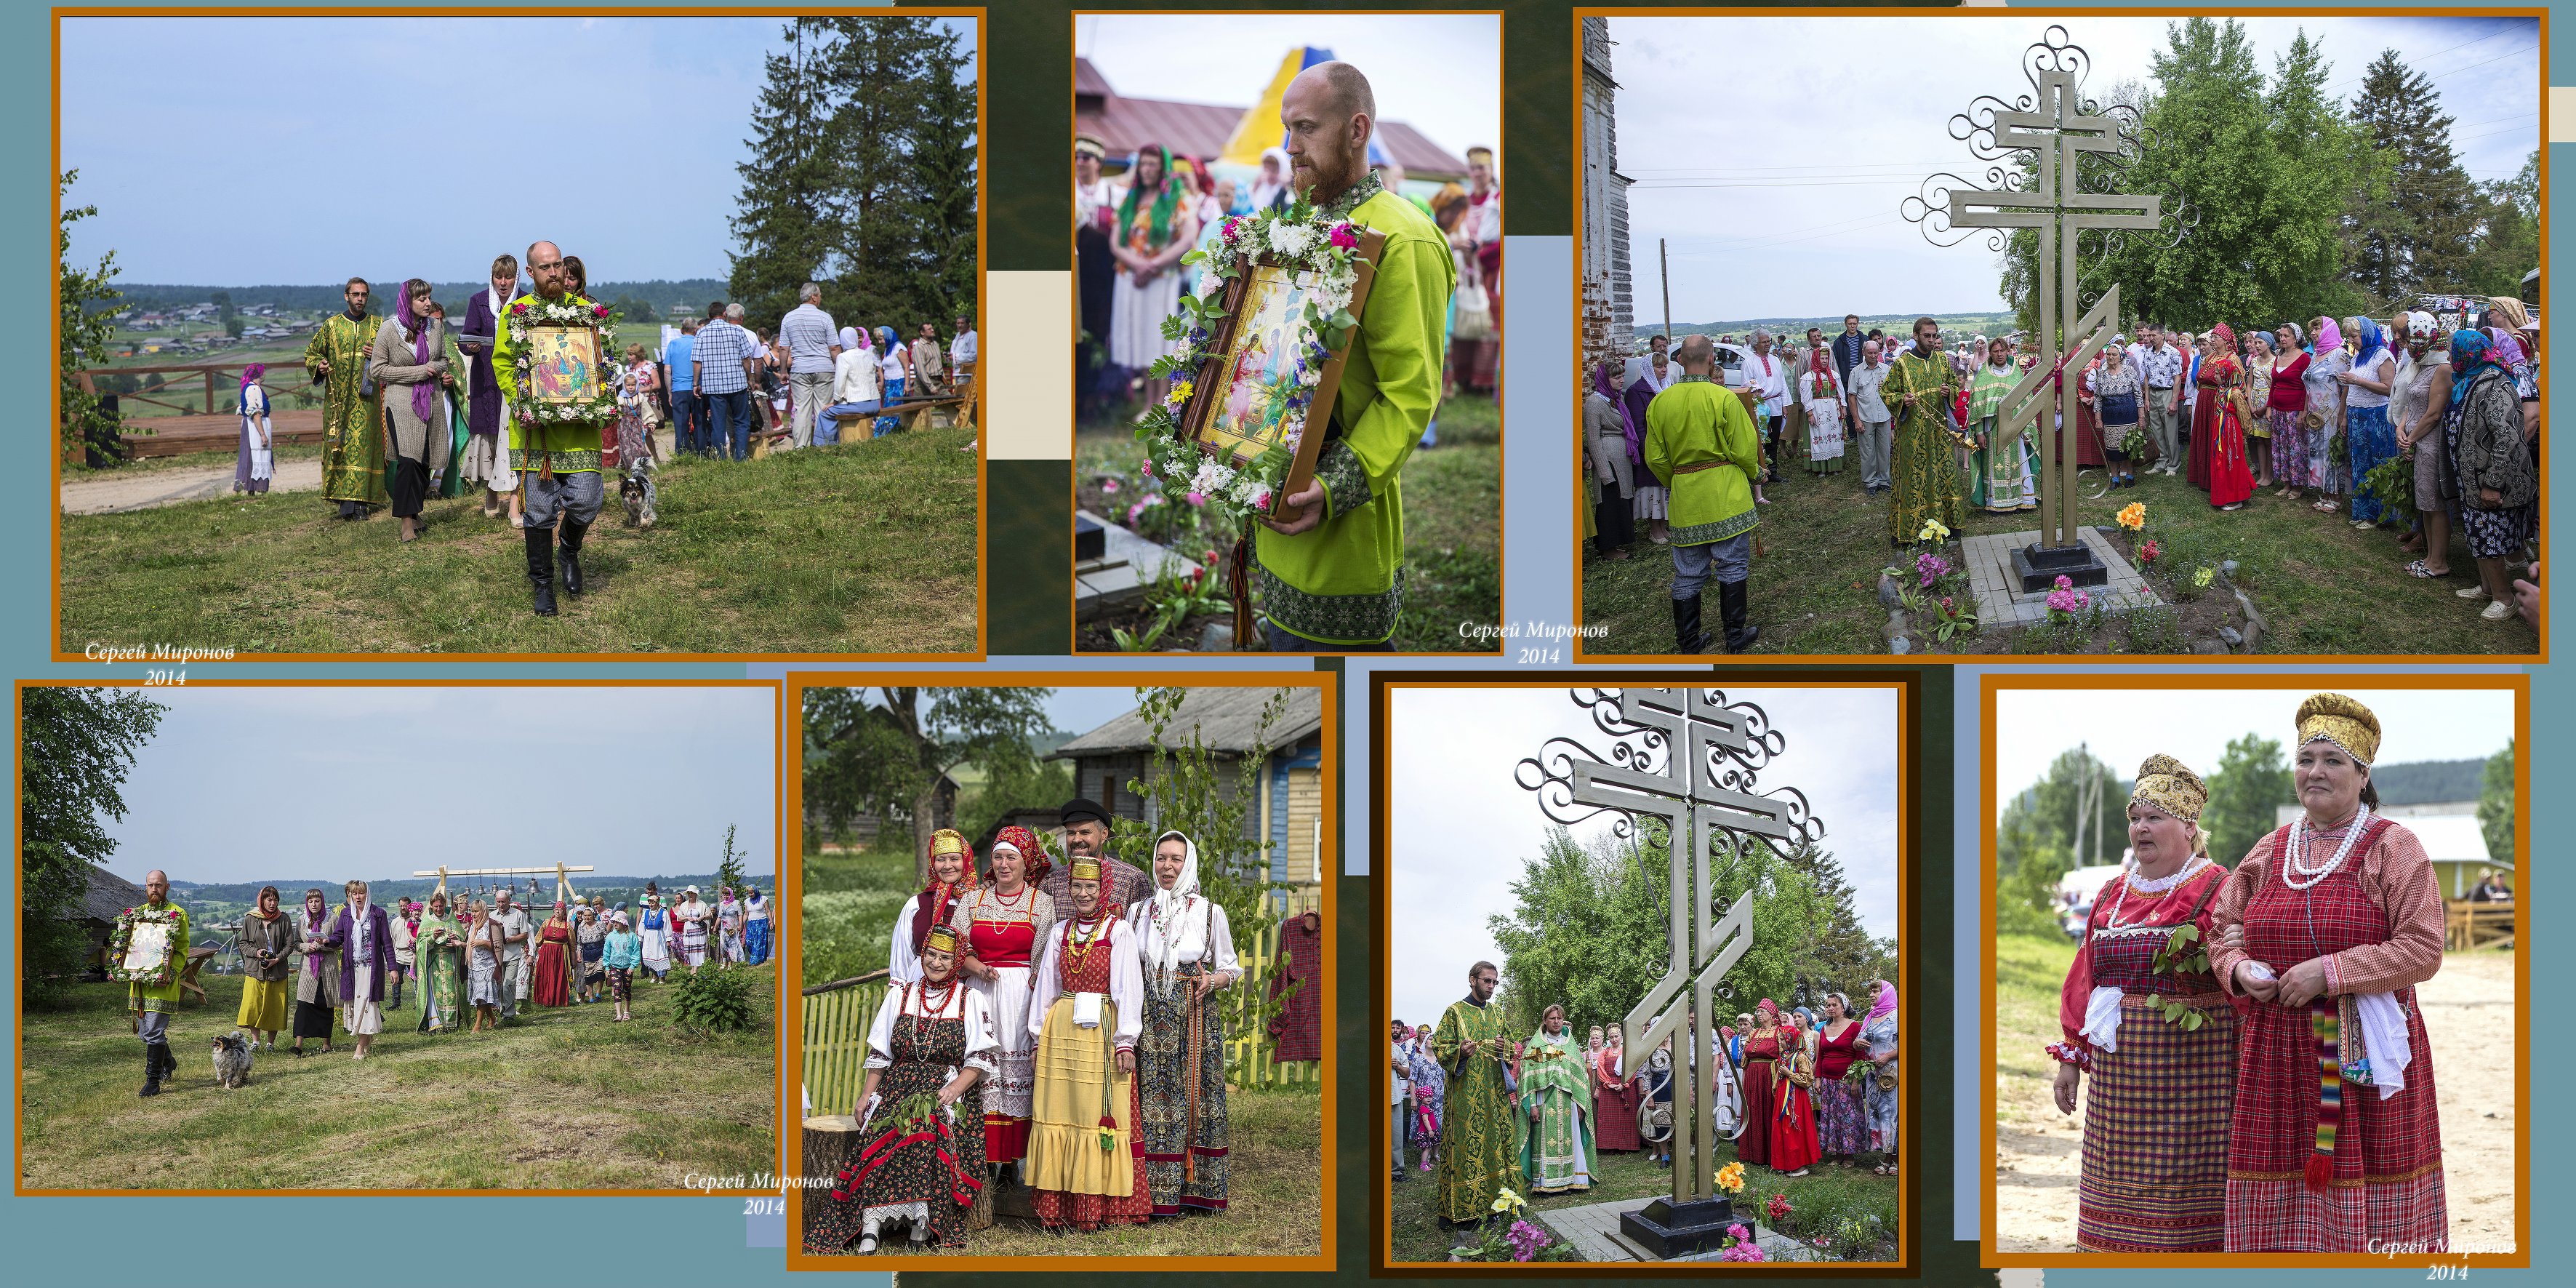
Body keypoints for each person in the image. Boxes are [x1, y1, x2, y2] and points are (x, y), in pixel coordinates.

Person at [2207, 695, 2447, 1254]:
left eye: (2332, 760)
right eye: (2304, 758)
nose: (2314, 770)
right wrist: (2239, 967)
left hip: (2363, 1050)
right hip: (2276, 1051)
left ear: (2363, 775)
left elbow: (2424, 946)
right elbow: (2223, 925)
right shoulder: (2270, 849)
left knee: (2368, 1201)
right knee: (2279, 1183)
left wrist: (2330, 970)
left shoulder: (2393, 846)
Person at [1250, 63, 1455, 652]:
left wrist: (1332, 485)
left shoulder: (1401, 236)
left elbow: (1410, 393)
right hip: (1276, 528)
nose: (1291, 148)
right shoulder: (1302, 225)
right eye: (1288, 130)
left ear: (1357, 129)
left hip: (1339, 531)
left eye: (1306, 128)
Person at [2045, 755, 2235, 1249]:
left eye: (2154, 816)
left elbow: (2242, 969)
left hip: (2195, 1082)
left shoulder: (2219, 888)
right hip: (2117, 1086)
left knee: (2184, 1216)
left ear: (2189, 826)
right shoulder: (2112, 894)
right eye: (2134, 817)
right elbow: (2085, 975)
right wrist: (2070, 1056)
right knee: (2114, 1215)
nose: (2140, 827)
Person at [811, 923, 996, 1254]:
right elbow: (881, 1051)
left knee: (926, 1127)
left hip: (946, 1087)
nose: (936, 963)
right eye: (931, 955)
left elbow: (980, 1056)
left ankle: (921, 1220)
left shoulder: (971, 999)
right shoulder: (901, 994)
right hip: (899, 1084)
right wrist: (867, 1095)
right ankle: (870, 1223)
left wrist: (955, 1088)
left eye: (945, 958)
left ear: (956, 962)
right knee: (880, 1132)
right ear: (922, 955)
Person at [1024, 857, 1150, 1233]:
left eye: (1090, 888)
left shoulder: (1119, 930)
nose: (1082, 894)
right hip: (1061, 1029)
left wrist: (1126, 1042)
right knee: (1061, 1112)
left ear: (1103, 891)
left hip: (1102, 1030)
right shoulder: (1060, 932)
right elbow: (1046, 987)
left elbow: (1130, 988)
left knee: (1096, 1115)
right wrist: (1036, 1039)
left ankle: (1099, 1208)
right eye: (1076, 887)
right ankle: (1057, 1208)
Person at [1126, 831, 1240, 1217]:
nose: (1167, 867)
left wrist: (1212, 980)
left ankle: (1195, 1189)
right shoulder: (1139, 912)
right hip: (1148, 1015)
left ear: (1188, 862)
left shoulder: (1209, 912)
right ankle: (1147, 1193)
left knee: (1192, 1096)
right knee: (1150, 1097)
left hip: (1193, 1014)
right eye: (1161, 858)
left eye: (1176, 859)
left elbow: (1231, 967)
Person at [491, 242, 609, 616]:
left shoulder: (589, 313)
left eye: (558, 265)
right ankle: (543, 584)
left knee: (588, 500)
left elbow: (601, 362)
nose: (555, 272)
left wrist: (601, 385)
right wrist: (526, 400)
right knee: (539, 512)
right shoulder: (518, 313)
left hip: (579, 429)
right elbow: (504, 364)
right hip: (535, 432)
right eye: (546, 267)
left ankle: (569, 550)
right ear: (531, 272)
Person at [1644, 335, 1763, 654]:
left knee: (1688, 575)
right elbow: (1745, 449)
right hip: (1727, 499)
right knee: (1732, 567)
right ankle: (1735, 638)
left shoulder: (1660, 403)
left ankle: (1689, 642)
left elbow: (1655, 458)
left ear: (1679, 360)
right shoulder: (1724, 399)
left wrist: (1679, 480)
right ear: (1712, 360)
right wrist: (1755, 475)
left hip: (1686, 501)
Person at [954, 827, 1056, 1169]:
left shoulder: (1042, 903)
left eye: (1011, 857)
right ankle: (980, 1159)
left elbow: (1043, 959)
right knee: (980, 1066)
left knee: (1016, 1073)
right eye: (998, 856)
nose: (1003, 863)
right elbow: (955, 949)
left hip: (1020, 998)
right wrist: (977, 967)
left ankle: (1014, 1163)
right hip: (978, 993)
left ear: (1026, 862)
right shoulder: (973, 900)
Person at [2444, 329, 2538, 622]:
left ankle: (2504, 598)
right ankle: (2487, 587)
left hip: (2492, 480)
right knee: (2476, 532)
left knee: (2490, 535)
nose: (2449, 357)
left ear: (2468, 353)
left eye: (2453, 351)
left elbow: (2507, 437)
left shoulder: (2495, 383)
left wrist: (2493, 484)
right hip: (2472, 477)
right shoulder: (2469, 379)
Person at [1109, 143, 1197, 411]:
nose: (1147, 169)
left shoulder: (1176, 198)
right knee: (1141, 338)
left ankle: (1161, 403)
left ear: (1162, 168)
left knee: (1159, 340)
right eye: (1143, 164)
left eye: (1152, 164)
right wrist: (1138, 264)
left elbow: (1188, 238)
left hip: (1161, 279)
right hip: (1130, 277)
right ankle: (1149, 401)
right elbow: (1116, 242)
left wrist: (1152, 265)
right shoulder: (1131, 198)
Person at [1430, 961, 1517, 1229]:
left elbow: (1512, 1049)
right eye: (1486, 981)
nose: (1491, 987)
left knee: (1497, 1147)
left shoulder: (1499, 1013)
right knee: (1468, 1148)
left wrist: (1506, 1047)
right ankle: (1465, 1211)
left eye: (1495, 982)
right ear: (1472, 980)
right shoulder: (1454, 1012)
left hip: (1495, 1096)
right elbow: (1439, 1046)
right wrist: (1460, 1051)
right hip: (1465, 1098)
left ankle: (1499, 1205)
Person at [366, 279, 454, 543]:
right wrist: (418, 371)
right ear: (408, 301)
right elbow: (377, 369)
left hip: (432, 400)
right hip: (402, 401)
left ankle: (416, 512)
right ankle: (406, 522)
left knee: (425, 460)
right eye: (421, 299)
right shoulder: (389, 330)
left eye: (429, 297)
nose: (428, 303)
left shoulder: (435, 327)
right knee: (408, 460)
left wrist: (438, 369)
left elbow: (444, 360)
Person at [306, 276, 387, 521]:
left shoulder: (378, 326)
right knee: (340, 447)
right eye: (356, 295)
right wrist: (318, 365)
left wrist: (378, 353)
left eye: (364, 295)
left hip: (367, 400)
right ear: (347, 296)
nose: (360, 299)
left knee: (363, 449)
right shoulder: (331, 326)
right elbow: (311, 353)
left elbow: (391, 355)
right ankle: (345, 502)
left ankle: (361, 503)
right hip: (338, 402)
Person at [1886, 316, 1965, 545]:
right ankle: (1911, 532)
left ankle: (1948, 527)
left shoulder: (1942, 360)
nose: (1932, 340)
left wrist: (1948, 391)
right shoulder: (1902, 363)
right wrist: (1902, 400)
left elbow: (1956, 385)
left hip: (1939, 434)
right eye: (1927, 336)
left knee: (1944, 475)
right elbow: (1887, 393)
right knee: (1915, 479)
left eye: (1934, 335)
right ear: (1915, 336)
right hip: (1913, 435)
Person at [460, 255, 521, 519]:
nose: (503, 282)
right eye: (499, 277)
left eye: (508, 277)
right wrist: (470, 345)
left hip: (515, 379)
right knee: (491, 438)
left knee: (513, 436)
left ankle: (517, 501)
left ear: (517, 278)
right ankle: (492, 492)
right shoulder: (479, 301)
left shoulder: (525, 302)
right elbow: (465, 338)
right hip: (486, 378)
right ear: (492, 277)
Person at [2396, 313, 2457, 579]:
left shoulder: (2442, 369)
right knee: (2425, 502)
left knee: (2435, 502)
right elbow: (2412, 402)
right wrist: (2401, 427)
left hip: (2430, 441)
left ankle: (2439, 562)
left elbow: (2434, 413)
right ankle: (2430, 557)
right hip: (2417, 439)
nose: (2406, 345)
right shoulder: (2421, 365)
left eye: (2410, 339)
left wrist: (2411, 438)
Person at [1517, 1004, 1595, 1194]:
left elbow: (1581, 1080)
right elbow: (1528, 1080)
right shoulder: (1537, 1046)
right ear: (1545, 1021)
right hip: (1544, 1102)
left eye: (1559, 1018)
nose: (1556, 1021)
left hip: (1568, 1102)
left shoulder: (1570, 1045)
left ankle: (1572, 1180)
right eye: (1552, 1018)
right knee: (1544, 1142)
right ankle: (1545, 1184)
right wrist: (1533, 1105)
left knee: (1571, 1141)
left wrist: (1581, 1106)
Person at [892, 828, 976, 985]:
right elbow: (902, 955)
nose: (947, 866)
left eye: (954, 859)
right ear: (932, 863)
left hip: (967, 983)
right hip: (921, 982)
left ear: (966, 860)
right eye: (941, 860)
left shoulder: (978, 902)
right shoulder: (916, 904)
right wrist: (901, 991)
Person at [2338, 317, 2400, 527]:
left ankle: (2379, 515)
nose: (2351, 340)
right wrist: (2345, 416)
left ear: (2366, 335)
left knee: (2377, 463)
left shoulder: (2383, 355)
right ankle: (2363, 511)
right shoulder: (2358, 357)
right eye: (2349, 336)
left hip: (2376, 416)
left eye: (2354, 336)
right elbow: (2349, 390)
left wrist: (2357, 380)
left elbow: (2388, 388)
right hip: (2357, 416)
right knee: (2360, 463)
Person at [324, 879, 394, 1060]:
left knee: (367, 1006)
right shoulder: (347, 914)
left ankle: (360, 1047)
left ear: (367, 894)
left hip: (371, 969)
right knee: (357, 1008)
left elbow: (386, 944)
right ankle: (367, 1040)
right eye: (354, 894)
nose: (357, 897)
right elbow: (338, 937)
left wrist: (393, 968)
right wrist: (326, 941)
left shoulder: (378, 914)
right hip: (352, 968)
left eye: (361, 893)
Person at [1621, 334, 1680, 543]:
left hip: (1667, 446)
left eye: (1664, 366)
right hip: (1650, 448)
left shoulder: (1665, 389)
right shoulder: (1638, 391)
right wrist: (1647, 451)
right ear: (1648, 369)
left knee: (1665, 487)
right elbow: (1639, 425)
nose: (1664, 370)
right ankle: (1654, 529)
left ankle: (1663, 525)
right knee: (1652, 489)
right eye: (1659, 367)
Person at [1041, 798, 1149, 911]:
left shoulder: (1130, 879)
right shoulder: (1053, 882)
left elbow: (1145, 926)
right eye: (1071, 833)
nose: (1077, 839)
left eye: (1085, 832)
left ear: (1104, 834)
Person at [1965, 336, 2034, 512]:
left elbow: (2026, 403)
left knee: (2017, 464)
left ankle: (2021, 500)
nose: (1999, 354)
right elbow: (1976, 409)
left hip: (2015, 429)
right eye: (1995, 351)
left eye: (2002, 351)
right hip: (1992, 429)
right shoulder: (1983, 376)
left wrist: (2027, 432)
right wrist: (1979, 433)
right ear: (1991, 353)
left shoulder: (2016, 374)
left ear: (2007, 352)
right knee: (1993, 467)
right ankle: (1995, 503)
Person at [2199, 326, 2255, 510]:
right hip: (2218, 419)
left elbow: (2244, 415)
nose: (2213, 341)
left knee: (2231, 458)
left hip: (2229, 427)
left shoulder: (2234, 389)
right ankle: (2220, 487)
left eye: (2216, 337)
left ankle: (2235, 493)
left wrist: (2245, 432)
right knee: (2221, 456)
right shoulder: (2219, 385)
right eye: (2212, 337)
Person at [779, 283, 841, 449]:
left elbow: (784, 348)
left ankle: (801, 447)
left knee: (801, 409)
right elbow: (834, 348)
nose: (820, 299)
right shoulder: (825, 317)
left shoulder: (788, 318)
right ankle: (825, 445)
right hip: (824, 368)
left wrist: (784, 371)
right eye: (819, 296)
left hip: (800, 369)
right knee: (823, 407)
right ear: (814, 297)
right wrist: (841, 367)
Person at [693, 298, 755, 462]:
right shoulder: (737, 331)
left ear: (709, 315)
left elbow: (697, 362)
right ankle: (740, 457)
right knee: (741, 421)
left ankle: (720, 458)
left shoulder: (701, 333)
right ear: (725, 314)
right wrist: (750, 378)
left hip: (714, 387)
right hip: (737, 383)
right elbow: (746, 359)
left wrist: (695, 383)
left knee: (718, 424)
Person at [1584, 360, 1634, 559]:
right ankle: (1608, 548)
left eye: (1622, 376)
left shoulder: (1615, 398)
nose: (1622, 380)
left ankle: (1617, 543)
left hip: (1621, 459)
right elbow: (1593, 439)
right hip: (1609, 461)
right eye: (1617, 377)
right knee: (1610, 502)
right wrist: (1604, 472)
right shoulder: (1595, 403)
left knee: (1621, 499)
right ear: (1606, 379)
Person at [1762, 1001, 1821, 1176]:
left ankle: (1799, 1165)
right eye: (1780, 1040)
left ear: (1791, 1040)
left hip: (1796, 1100)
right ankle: (1784, 1162)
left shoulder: (1801, 1057)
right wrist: (1776, 1086)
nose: (1780, 1042)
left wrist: (1789, 1074)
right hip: (1783, 1097)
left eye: (1782, 1040)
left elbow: (1808, 1079)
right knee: (1782, 1128)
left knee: (1794, 1128)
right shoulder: (1785, 1056)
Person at [1811, 992, 1868, 1162]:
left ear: (1844, 1007)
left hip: (1847, 1081)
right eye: (1828, 1005)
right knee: (1832, 1117)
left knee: (1847, 1117)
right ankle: (1836, 1153)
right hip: (1828, 1081)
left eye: (1834, 1005)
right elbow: (1820, 1056)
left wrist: (1856, 1081)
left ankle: (1849, 1155)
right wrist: (1818, 1079)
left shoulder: (1854, 1027)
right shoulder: (1824, 1028)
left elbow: (1860, 1056)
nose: (1830, 1008)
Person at [2302, 316, 2351, 512]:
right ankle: (2324, 491)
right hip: (2315, 413)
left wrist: (2342, 414)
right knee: (2317, 452)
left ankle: (2336, 495)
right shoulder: (2316, 354)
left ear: (2329, 330)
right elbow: (2309, 385)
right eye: (2311, 330)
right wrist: (2306, 409)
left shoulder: (2340, 355)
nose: (2313, 333)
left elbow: (2346, 387)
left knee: (2332, 453)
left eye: (2317, 329)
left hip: (2331, 412)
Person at [2267, 322, 2316, 501]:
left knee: (2296, 448)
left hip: (2294, 411)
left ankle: (2297, 485)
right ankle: (2286, 482)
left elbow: (2306, 388)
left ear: (2296, 338)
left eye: (2286, 336)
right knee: (2281, 447)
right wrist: (2270, 406)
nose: (2282, 339)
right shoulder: (2278, 356)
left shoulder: (2304, 359)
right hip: (2278, 411)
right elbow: (2274, 384)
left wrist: (2303, 412)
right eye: (2281, 336)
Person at [289, 887, 340, 1057]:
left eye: (317, 901)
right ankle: (299, 1044)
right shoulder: (302, 920)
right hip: (308, 969)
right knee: (304, 1004)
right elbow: (296, 943)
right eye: (310, 901)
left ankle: (326, 1043)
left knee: (326, 1003)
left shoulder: (333, 918)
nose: (314, 904)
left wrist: (323, 944)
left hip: (328, 968)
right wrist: (307, 946)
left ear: (322, 902)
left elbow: (340, 943)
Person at [2084, 340, 2142, 489]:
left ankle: (2130, 476)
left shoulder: (2130, 371)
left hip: (2129, 415)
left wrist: (2141, 417)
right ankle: (2115, 478)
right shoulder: (2102, 374)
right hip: (2110, 416)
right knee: (2111, 448)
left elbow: (2138, 395)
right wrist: (2098, 419)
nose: (2110, 357)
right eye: (2108, 354)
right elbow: (2097, 398)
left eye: (2114, 354)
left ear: (2121, 356)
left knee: (2129, 448)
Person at [1738, 332, 1789, 498]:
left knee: (1773, 440)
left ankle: (1773, 471)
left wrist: (1784, 405)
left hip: (1775, 404)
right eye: (1764, 342)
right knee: (1760, 441)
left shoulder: (1775, 360)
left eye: (1769, 341)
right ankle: (1760, 474)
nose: (1767, 344)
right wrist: (1755, 405)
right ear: (1755, 344)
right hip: (1759, 406)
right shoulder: (1749, 363)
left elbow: (1782, 383)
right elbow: (1746, 386)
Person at [1859, 980, 1900, 1172]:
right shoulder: (1870, 1017)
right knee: (1879, 1114)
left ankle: (1897, 1160)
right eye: (1871, 992)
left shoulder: (1898, 1016)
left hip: (1893, 1074)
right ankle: (1887, 1156)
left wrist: (1889, 1056)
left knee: (1893, 1115)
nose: (1871, 995)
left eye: (1875, 991)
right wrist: (1857, 1043)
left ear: (1886, 993)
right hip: (1873, 1075)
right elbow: (1859, 1040)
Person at [414, 890, 466, 1034]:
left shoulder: (451, 918)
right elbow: (420, 944)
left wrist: (456, 937)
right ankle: (435, 1023)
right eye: (436, 906)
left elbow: (463, 935)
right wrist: (431, 937)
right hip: (434, 962)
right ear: (431, 906)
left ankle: (451, 1023)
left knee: (451, 992)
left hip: (451, 960)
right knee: (433, 992)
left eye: (441, 906)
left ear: (445, 905)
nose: (439, 909)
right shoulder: (427, 921)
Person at [1848, 338, 1895, 493]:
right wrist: (1856, 420)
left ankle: (1884, 480)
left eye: (1876, 352)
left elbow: (1893, 393)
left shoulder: (1886, 370)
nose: (1873, 356)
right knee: (1867, 452)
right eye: (1870, 353)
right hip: (1865, 418)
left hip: (1884, 416)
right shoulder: (1856, 372)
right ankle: (1871, 482)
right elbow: (1852, 397)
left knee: (1884, 450)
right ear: (1863, 353)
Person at [1591, 1024, 1640, 1154]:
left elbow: (1633, 1069)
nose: (1614, 1039)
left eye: (1616, 1036)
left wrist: (1624, 1084)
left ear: (1621, 1037)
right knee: (1608, 1118)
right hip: (1609, 1089)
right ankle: (1610, 1146)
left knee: (1626, 1117)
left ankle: (1626, 1146)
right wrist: (1608, 1083)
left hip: (1625, 1087)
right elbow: (1600, 1069)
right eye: (1611, 1037)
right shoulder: (1605, 1052)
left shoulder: (1627, 1051)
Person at [1799, 345, 1847, 476]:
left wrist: (1843, 408)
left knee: (1834, 436)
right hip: (1817, 410)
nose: (1825, 361)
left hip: (1832, 409)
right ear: (1816, 359)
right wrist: (1810, 413)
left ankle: (1834, 466)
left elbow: (1841, 393)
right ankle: (1820, 468)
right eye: (1822, 358)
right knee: (1819, 436)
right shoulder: (1808, 377)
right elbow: (1806, 397)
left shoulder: (1834, 375)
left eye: (1826, 358)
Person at [231, 363, 275, 497]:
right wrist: (263, 434)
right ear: (259, 374)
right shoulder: (254, 389)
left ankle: (250, 490)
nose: (265, 374)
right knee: (257, 455)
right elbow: (255, 413)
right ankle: (258, 489)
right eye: (263, 372)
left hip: (250, 425)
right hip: (255, 427)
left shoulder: (249, 388)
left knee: (250, 456)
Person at [664, 317, 702, 457]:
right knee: (699, 422)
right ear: (696, 329)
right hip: (697, 388)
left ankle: (681, 454)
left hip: (678, 389)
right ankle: (701, 452)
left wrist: (669, 392)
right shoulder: (699, 342)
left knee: (680, 425)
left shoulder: (673, 344)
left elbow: (667, 370)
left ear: (681, 330)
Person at [489, 886, 529, 1019]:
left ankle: (509, 1015)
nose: (501, 904)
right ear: (496, 901)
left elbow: (525, 935)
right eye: (498, 902)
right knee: (499, 984)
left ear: (509, 900)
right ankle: (502, 1010)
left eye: (503, 902)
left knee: (509, 984)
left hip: (512, 955)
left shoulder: (518, 915)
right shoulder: (491, 916)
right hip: (497, 957)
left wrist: (512, 939)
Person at [464, 898, 502, 1033]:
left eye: (476, 911)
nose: (473, 914)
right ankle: (492, 1018)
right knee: (483, 996)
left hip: (488, 966)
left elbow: (498, 947)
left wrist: (483, 942)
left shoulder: (491, 925)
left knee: (481, 996)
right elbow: (470, 944)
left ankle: (478, 1026)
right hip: (475, 967)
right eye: (472, 911)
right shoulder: (473, 926)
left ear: (483, 911)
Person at [601, 910, 641, 1022]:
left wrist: (633, 966)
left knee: (627, 989)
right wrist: (607, 967)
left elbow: (636, 952)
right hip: (615, 967)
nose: (615, 924)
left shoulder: (632, 936)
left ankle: (627, 1012)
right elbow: (606, 953)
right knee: (617, 989)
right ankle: (618, 1015)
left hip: (628, 968)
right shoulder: (610, 937)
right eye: (614, 922)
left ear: (624, 923)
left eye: (618, 922)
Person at [872, 325, 910, 438]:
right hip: (889, 384)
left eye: (881, 339)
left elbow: (906, 366)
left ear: (888, 336)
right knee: (889, 409)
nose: (880, 342)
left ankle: (880, 434)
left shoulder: (899, 347)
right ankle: (894, 434)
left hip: (898, 383)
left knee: (893, 410)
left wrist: (907, 385)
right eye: (878, 339)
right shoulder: (889, 348)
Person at [532, 903, 573, 1007]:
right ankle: (544, 999)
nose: (557, 911)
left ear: (564, 912)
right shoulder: (547, 922)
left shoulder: (567, 925)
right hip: (546, 954)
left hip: (560, 954)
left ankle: (557, 1000)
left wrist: (573, 959)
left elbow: (572, 944)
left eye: (560, 909)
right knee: (546, 975)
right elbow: (538, 940)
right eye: (556, 909)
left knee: (558, 976)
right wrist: (531, 953)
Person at [1391, 1018, 1415, 1181]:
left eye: (1396, 1028)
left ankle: (1397, 1171)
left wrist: (1397, 1065)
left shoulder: (1396, 1050)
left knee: (1396, 1137)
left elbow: (1407, 1073)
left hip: (1394, 1098)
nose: (1394, 1030)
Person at [673, 886, 713, 972]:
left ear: (695, 894)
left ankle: (695, 969)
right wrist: (687, 918)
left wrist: (702, 917)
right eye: (689, 893)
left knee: (698, 950)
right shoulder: (684, 905)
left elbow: (710, 915)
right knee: (689, 950)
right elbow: (679, 918)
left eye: (692, 893)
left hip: (699, 930)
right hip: (689, 930)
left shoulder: (702, 904)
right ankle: (693, 967)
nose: (690, 895)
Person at [638, 895, 672, 982]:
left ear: (657, 903)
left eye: (653, 903)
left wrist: (668, 939)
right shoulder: (646, 913)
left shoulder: (663, 913)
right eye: (649, 903)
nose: (651, 905)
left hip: (659, 936)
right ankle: (654, 975)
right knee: (650, 954)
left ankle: (662, 977)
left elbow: (667, 926)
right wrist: (640, 937)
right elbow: (642, 924)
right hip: (648, 936)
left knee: (659, 955)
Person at [910, 321, 947, 399]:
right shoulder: (919, 348)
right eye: (929, 329)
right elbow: (921, 370)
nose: (932, 330)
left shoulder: (936, 344)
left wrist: (944, 379)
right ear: (922, 333)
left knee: (952, 405)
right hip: (923, 384)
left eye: (932, 328)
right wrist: (930, 387)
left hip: (938, 381)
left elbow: (938, 364)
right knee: (921, 409)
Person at [744, 886, 772, 965]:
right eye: (749, 893)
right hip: (751, 924)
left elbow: (768, 911)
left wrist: (771, 921)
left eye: (752, 893)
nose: (750, 894)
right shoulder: (747, 901)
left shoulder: (763, 899)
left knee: (759, 943)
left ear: (756, 892)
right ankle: (756, 958)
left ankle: (756, 962)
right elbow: (746, 914)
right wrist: (741, 924)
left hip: (762, 923)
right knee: (749, 942)